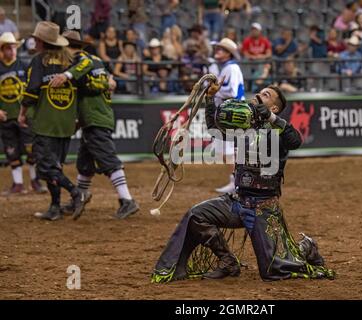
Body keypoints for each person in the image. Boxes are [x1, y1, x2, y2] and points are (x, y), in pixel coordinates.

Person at [151, 83, 335, 282]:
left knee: (273, 270)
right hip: (237, 202)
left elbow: (296, 141)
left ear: (273, 108)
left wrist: (271, 118)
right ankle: (227, 261)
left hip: (263, 207)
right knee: (196, 215)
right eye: (260, 92)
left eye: (265, 95)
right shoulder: (243, 125)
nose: (258, 94)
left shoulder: (279, 129)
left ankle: (306, 247)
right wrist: (210, 99)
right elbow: (214, 129)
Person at [49, 30, 139, 219]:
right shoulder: (97, 60)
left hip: (94, 118)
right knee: (85, 163)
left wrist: (66, 75)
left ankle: (127, 200)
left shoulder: (80, 61)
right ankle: (78, 198)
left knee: (108, 159)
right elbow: (109, 82)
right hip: (96, 116)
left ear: (66, 46)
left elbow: (100, 80)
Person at [17, 21, 90, 221]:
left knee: (45, 168)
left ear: (40, 41)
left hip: (46, 122)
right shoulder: (71, 62)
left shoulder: (39, 61)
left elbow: (31, 91)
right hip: (66, 123)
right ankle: (55, 206)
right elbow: (84, 87)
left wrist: (23, 112)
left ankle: (76, 193)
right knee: (55, 167)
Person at [0, 32, 46, 195]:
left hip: (23, 116)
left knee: (31, 150)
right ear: (2, 49)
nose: (11, 51)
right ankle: (18, 184)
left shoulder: (23, 66)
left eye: (13, 47)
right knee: (12, 152)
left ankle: (35, 181)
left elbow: (30, 90)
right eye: (8, 48)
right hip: (5, 117)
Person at [210, 38, 245, 193]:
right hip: (228, 112)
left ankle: (237, 182)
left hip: (233, 113)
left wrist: (214, 91)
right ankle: (236, 180)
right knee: (226, 150)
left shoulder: (232, 68)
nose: (218, 51)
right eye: (218, 49)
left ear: (228, 53)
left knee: (229, 150)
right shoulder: (226, 68)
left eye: (221, 49)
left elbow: (233, 92)